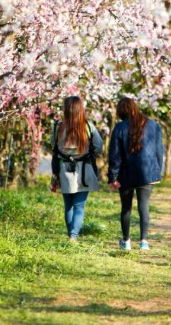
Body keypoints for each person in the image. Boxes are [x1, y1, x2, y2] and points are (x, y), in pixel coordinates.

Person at [108, 97, 164, 250]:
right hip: (147, 172)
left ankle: (126, 242)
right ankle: (144, 242)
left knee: (126, 208)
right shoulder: (153, 125)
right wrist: (158, 171)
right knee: (144, 207)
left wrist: (112, 177)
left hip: (125, 173)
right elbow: (159, 151)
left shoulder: (119, 128)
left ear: (121, 111)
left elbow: (115, 155)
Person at [50, 96, 102, 242]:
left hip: (64, 169)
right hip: (84, 170)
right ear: (81, 110)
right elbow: (99, 148)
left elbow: (52, 145)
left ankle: (70, 235)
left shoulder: (58, 127)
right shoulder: (88, 127)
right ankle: (73, 236)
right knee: (79, 205)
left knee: (68, 205)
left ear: (66, 109)